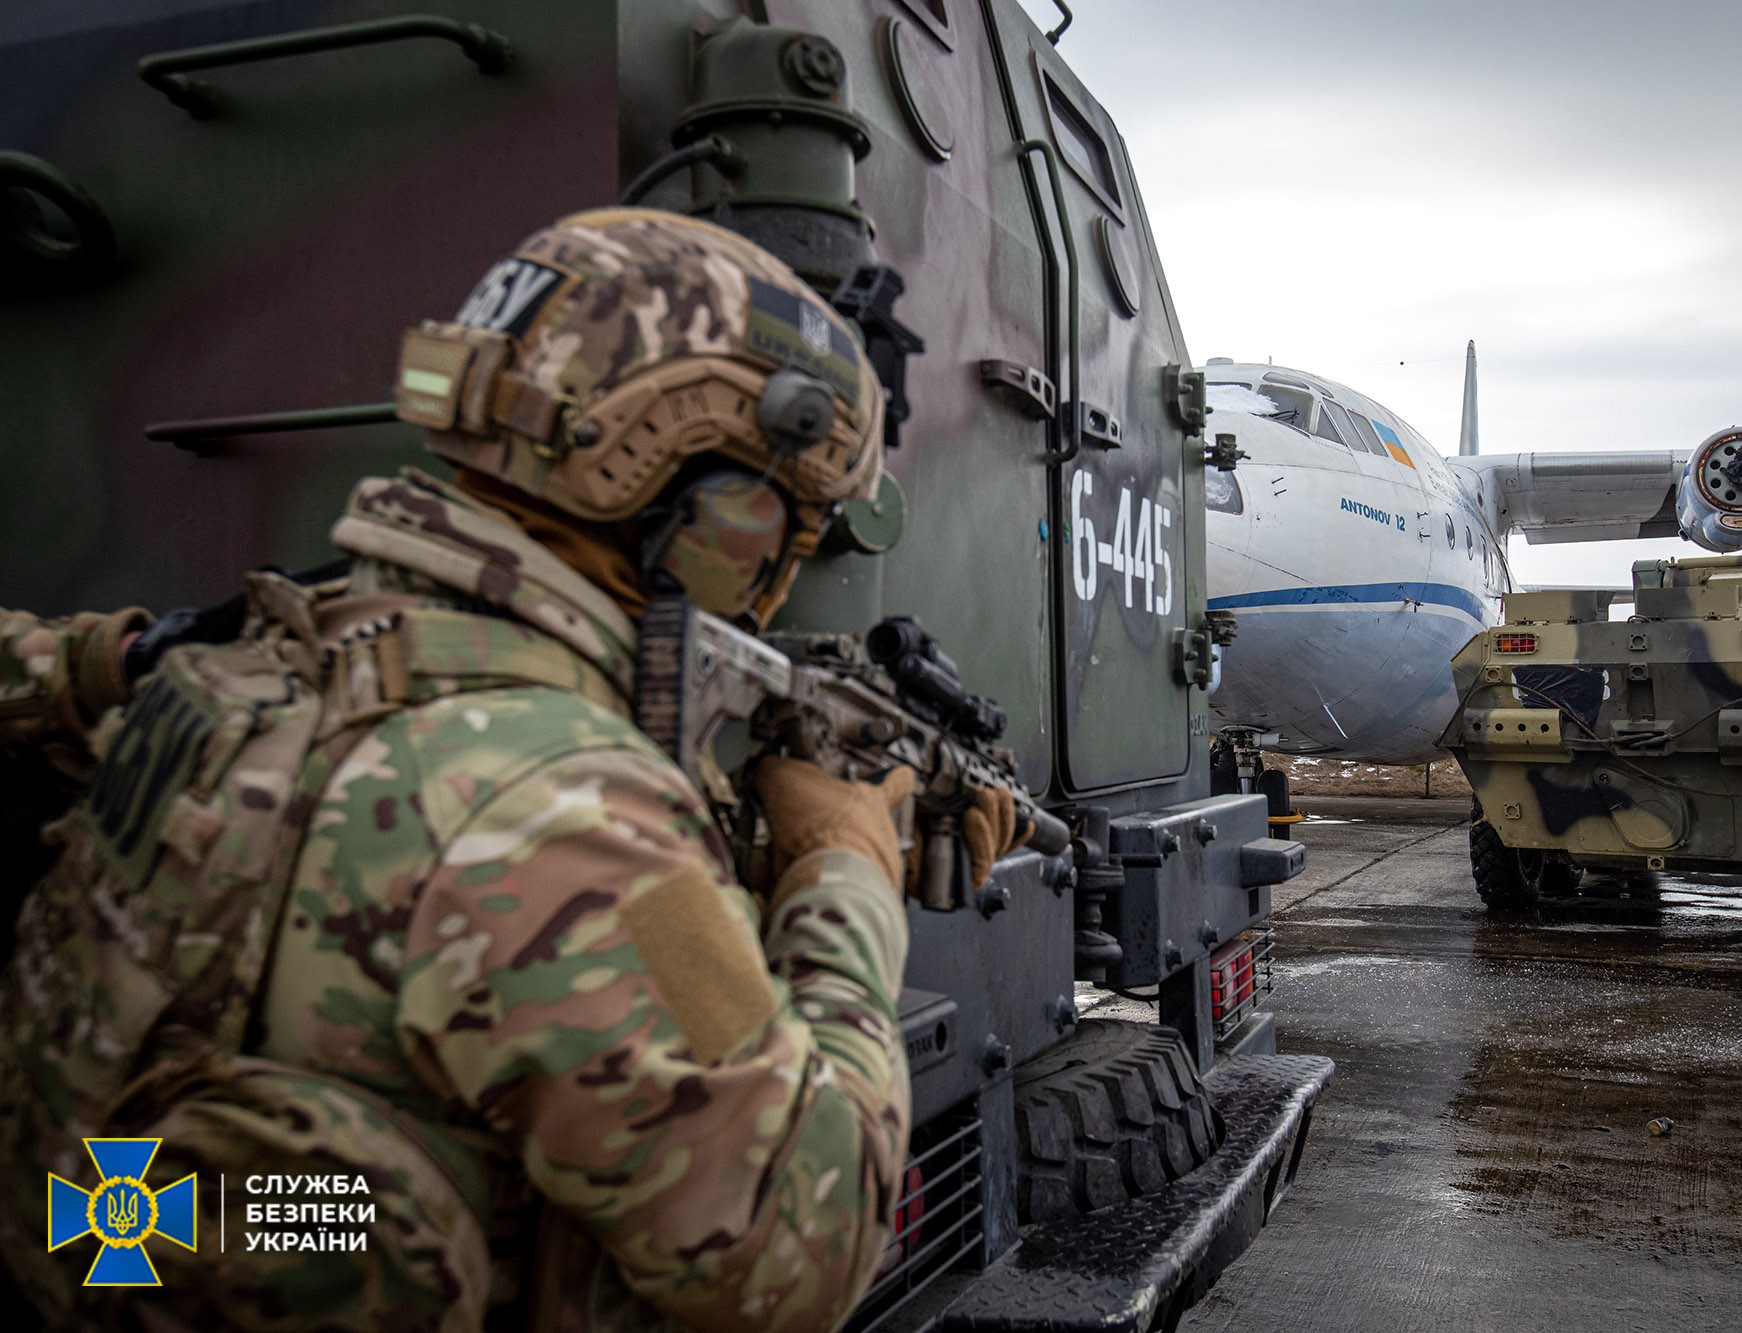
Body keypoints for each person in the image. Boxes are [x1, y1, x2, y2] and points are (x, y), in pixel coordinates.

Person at [0, 208, 1017, 1331]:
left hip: (119, 1229)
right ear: (676, 487)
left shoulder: (258, 656)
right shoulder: (561, 809)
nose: (778, 576)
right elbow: (797, 1257)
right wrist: (847, 876)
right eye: (785, 521)